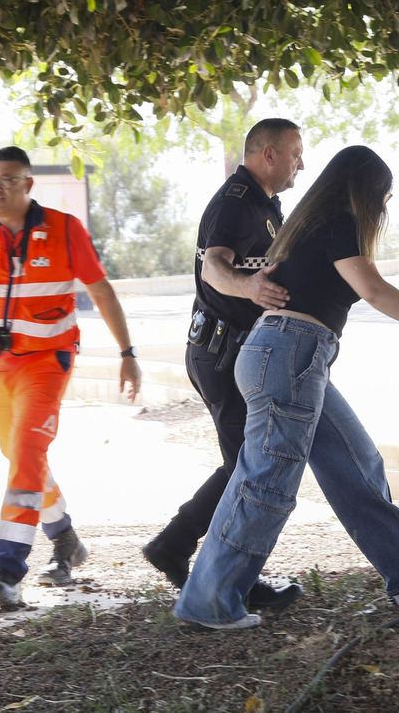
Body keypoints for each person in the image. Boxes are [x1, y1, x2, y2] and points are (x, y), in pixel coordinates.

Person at [173, 146, 399, 630]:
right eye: (385, 196)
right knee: (266, 483)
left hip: (289, 354)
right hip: (290, 353)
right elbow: (373, 289)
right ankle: (208, 600)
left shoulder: (306, 223)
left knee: (353, 461)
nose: (384, 206)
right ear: (366, 190)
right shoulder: (339, 221)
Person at [0, 146, 142, 607]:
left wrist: (127, 352)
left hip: (46, 363)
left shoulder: (65, 229)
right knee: (21, 456)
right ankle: (64, 537)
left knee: (25, 453)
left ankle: (7, 571)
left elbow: (100, 290)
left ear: (28, 184)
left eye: (6, 180)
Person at [141, 119, 305, 612]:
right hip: (221, 350)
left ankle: (185, 550)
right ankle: (199, 558)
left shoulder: (264, 203)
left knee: (245, 463)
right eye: (296, 152)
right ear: (269, 154)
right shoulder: (236, 199)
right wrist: (251, 288)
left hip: (233, 349)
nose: (303, 163)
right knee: (246, 466)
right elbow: (215, 265)